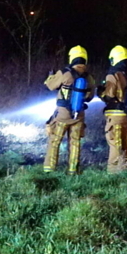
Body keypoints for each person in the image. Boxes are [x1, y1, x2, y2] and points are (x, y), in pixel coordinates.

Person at [42, 45, 95, 174]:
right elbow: (90, 97)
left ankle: (50, 169)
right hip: (78, 115)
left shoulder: (65, 73)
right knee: (75, 143)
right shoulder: (89, 77)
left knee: (55, 141)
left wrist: (50, 76)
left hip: (62, 115)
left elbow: (49, 86)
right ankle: (73, 170)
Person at [99, 45, 127, 173]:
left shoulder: (113, 75)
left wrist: (101, 92)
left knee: (115, 143)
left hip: (116, 116)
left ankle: (113, 173)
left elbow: (109, 95)